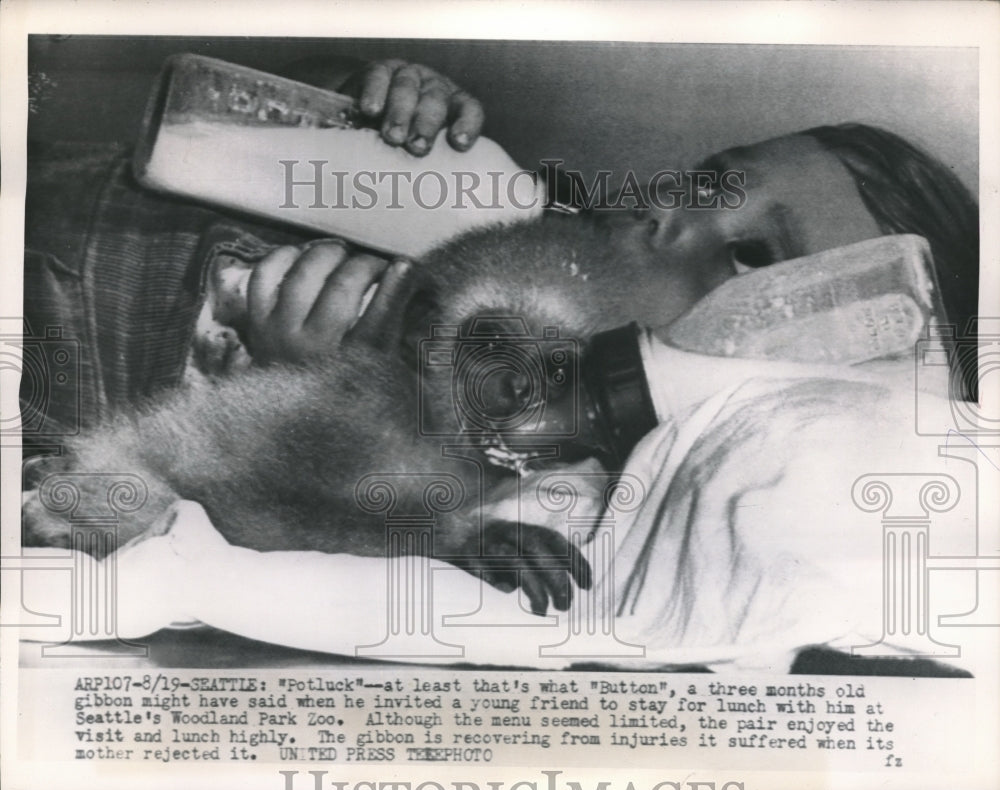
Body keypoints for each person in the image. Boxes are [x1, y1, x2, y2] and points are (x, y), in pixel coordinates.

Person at [22, 56, 979, 448]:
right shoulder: (515, 201)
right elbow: (239, 149)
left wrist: (308, 391)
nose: (675, 217)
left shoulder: (558, 450)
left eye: (754, 257)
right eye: (714, 180)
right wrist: (369, 112)